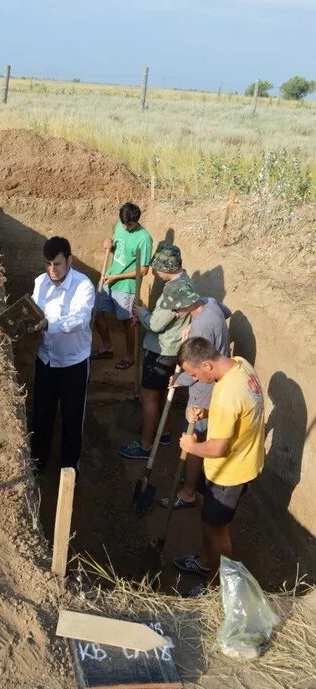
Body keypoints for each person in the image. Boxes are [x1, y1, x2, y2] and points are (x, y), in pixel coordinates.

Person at [173, 337, 265, 595]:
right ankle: (205, 561)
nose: (195, 379)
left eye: (194, 374)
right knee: (205, 510)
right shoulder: (240, 365)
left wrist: (191, 447)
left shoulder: (226, 396)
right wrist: (206, 412)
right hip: (232, 464)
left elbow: (216, 448)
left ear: (207, 365)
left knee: (217, 531)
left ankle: (216, 587)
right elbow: (239, 411)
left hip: (228, 472)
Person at [158, 286, 232, 510]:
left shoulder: (201, 327)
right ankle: (193, 479)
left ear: (188, 303)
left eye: (177, 310)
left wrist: (178, 381)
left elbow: (196, 371)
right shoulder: (209, 301)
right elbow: (226, 311)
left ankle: (189, 491)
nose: (175, 314)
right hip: (213, 380)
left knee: (193, 437)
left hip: (204, 388)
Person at [118, 243, 193, 459]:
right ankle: (164, 433)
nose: (155, 273)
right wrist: (146, 316)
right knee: (160, 393)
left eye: (157, 268)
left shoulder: (174, 289)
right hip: (172, 348)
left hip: (161, 350)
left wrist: (142, 313)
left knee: (149, 396)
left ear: (166, 267)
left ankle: (145, 445)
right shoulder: (185, 282)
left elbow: (157, 324)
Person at [30, 236, 95, 474]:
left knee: (72, 418)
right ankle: (37, 463)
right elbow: (34, 310)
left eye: (56, 264)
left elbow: (79, 320)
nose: (51, 270)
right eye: (47, 264)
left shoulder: (83, 286)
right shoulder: (41, 282)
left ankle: (70, 469)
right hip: (46, 359)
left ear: (69, 260)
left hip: (73, 363)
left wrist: (48, 324)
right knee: (42, 414)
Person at [92, 202, 153, 370]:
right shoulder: (120, 226)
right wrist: (109, 246)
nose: (126, 227)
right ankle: (106, 347)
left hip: (126, 286)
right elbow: (116, 250)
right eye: (124, 224)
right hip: (108, 279)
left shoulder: (144, 238)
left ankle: (129, 356)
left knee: (127, 322)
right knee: (97, 313)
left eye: (130, 224)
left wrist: (117, 276)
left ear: (136, 220)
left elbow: (144, 269)